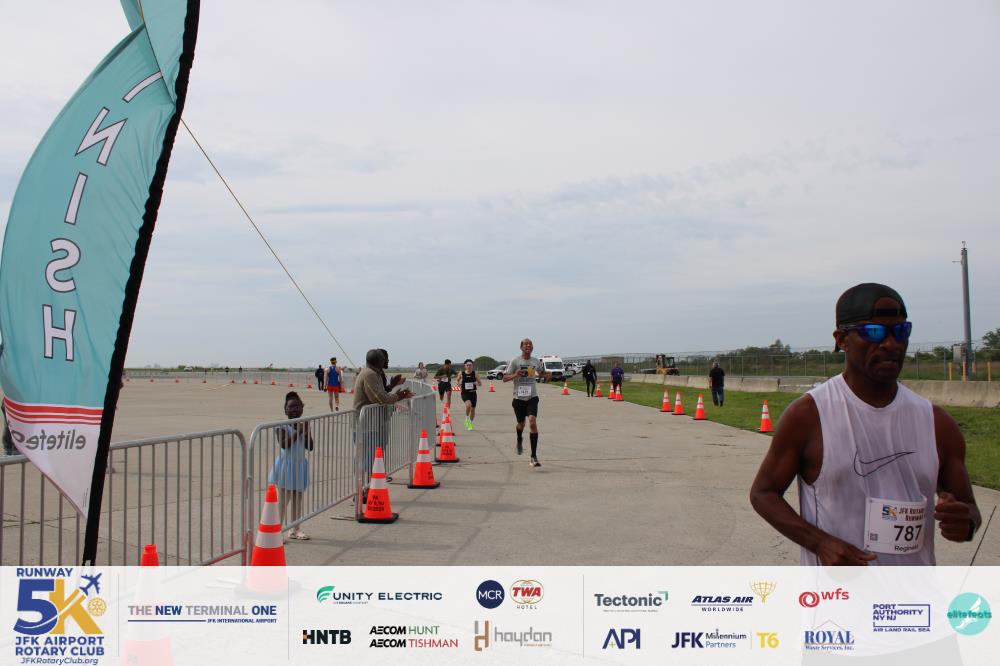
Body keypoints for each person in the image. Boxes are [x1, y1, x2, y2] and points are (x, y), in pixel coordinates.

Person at [749, 283, 982, 565]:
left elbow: (969, 509)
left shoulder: (936, 423)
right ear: (842, 339)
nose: (891, 344)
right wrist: (820, 543)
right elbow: (763, 493)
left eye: (901, 331)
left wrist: (964, 522)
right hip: (837, 590)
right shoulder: (809, 416)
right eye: (874, 332)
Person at [355, 349, 414, 484]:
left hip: (374, 423)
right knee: (369, 458)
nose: (386, 361)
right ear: (378, 361)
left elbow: (382, 395)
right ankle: (366, 488)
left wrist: (395, 392)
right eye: (383, 358)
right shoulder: (369, 374)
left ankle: (372, 484)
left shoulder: (375, 374)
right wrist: (399, 396)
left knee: (374, 456)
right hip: (368, 425)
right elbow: (379, 398)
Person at [268, 391, 314, 541]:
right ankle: (277, 531)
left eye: (297, 406)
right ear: (285, 410)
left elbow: (310, 447)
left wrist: (306, 433)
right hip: (286, 467)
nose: (294, 410)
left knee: (297, 500)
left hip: (299, 466)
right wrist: (297, 432)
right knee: (283, 501)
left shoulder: (304, 423)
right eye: (291, 407)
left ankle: (296, 529)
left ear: (302, 408)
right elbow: (284, 444)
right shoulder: (282, 426)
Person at [502, 338, 551, 467]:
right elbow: (504, 378)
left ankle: (533, 456)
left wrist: (548, 375)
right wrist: (515, 374)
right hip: (518, 399)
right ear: (521, 347)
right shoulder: (515, 361)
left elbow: (541, 374)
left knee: (532, 421)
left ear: (532, 348)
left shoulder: (536, 361)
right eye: (526, 344)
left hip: (532, 397)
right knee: (521, 424)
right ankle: (519, 439)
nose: (528, 346)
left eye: (530, 344)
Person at [459, 359, 482, 430]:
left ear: (472, 366)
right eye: (467, 365)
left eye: (470, 365)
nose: (469, 366)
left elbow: (480, 383)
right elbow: (457, 380)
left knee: (473, 409)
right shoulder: (461, 373)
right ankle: (466, 419)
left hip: (473, 393)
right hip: (465, 393)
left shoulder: (475, 373)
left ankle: (470, 423)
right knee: (468, 405)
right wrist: (459, 383)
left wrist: (476, 383)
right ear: (465, 366)